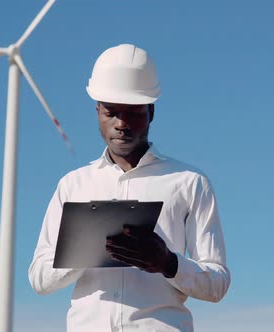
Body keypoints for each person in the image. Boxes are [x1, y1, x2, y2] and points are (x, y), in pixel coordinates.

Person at [28, 43, 230, 332]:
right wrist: (84, 248)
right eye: (111, 112)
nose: (122, 124)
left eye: (133, 113)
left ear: (151, 112)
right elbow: (38, 279)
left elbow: (217, 283)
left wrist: (168, 263)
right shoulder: (72, 185)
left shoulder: (189, 182)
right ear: (97, 110)